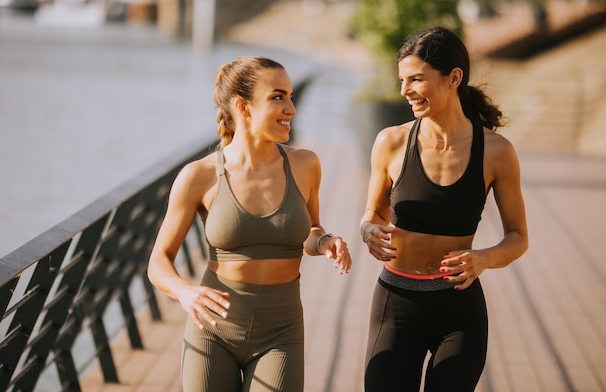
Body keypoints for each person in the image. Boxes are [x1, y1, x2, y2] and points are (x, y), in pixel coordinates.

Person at [147, 55, 352, 392]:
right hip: (214, 329)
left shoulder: (305, 165)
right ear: (243, 107)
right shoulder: (198, 176)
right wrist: (185, 292)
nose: (291, 108)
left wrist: (326, 241)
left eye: (290, 96)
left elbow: (310, 232)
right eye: (278, 97)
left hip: (282, 331)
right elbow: (158, 262)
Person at [360, 26, 528, 392]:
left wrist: (484, 258)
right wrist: (367, 230)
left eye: (416, 79)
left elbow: (517, 237)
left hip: (459, 310)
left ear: (454, 77)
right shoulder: (390, 142)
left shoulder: (496, 152)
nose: (404, 91)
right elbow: (373, 213)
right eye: (402, 80)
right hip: (396, 302)